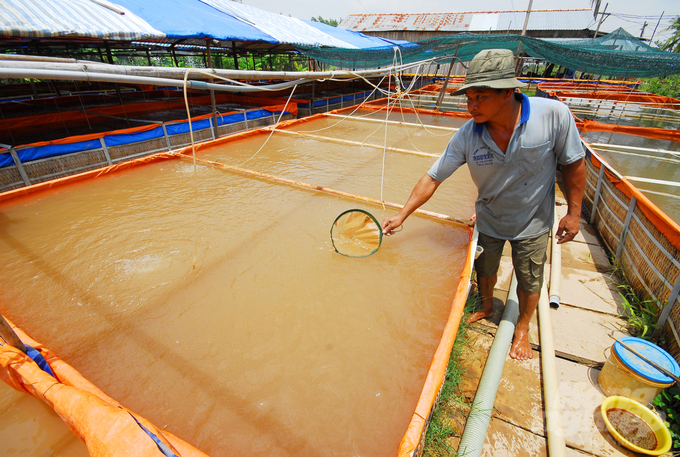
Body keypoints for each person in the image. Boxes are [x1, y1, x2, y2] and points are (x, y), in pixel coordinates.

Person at [381, 49, 586, 360]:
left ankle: (523, 328)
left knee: (530, 276)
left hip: (534, 220)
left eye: (480, 96)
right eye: (469, 97)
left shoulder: (553, 116)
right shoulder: (467, 135)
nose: (471, 105)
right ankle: (488, 305)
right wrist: (402, 215)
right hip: (489, 216)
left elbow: (574, 163)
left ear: (507, 92)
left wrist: (574, 213)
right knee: (485, 268)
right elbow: (433, 177)